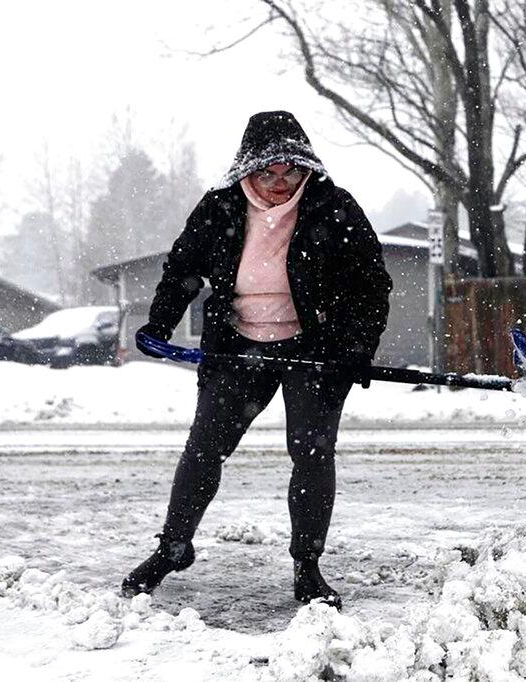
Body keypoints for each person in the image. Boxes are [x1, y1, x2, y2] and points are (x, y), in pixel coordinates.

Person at [120, 111, 392, 610]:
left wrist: (357, 349)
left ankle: (307, 567)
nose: (280, 184)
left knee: (311, 453)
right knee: (204, 449)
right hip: (237, 345)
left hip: (315, 349)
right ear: (247, 170)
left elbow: (370, 286)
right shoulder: (221, 207)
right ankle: (173, 547)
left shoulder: (332, 206)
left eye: (291, 172)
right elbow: (183, 268)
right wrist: (159, 323)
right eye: (268, 173)